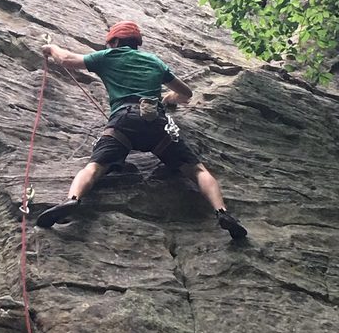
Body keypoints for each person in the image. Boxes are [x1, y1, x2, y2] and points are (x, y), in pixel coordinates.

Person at [36, 21, 247, 239]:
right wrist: (170, 99)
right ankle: (221, 211)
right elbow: (186, 92)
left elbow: (67, 60)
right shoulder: (154, 61)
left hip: (123, 123)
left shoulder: (109, 56)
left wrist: (51, 49)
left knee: (95, 167)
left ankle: (73, 199)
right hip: (156, 123)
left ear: (115, 41)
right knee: (197, 171)